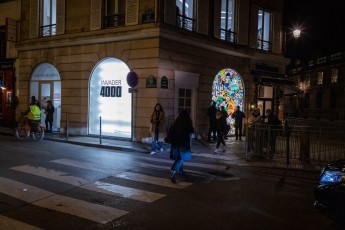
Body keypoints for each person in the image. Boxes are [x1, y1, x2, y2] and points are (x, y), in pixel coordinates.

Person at [169, 109, 194, 183]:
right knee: (181, 159)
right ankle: (173, 172)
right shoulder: (187, 123)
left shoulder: (176, 122)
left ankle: (181, 170)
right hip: (184, 143)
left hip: (176, 143)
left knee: (180, 157)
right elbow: (191, 131)